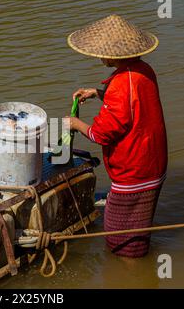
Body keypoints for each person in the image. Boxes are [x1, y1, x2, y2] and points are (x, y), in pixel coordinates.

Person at [64, 14, 168, 257]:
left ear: (113, 55)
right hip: (153, 162)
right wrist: (99, 93)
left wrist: (75, 123)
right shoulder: (143, 70)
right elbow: (133, 106)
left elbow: (101, 134)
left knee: (121, 240)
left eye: (101, 53)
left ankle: (131, 275)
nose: (99, 57)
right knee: (138, 230)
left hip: (135, 170)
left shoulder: (121, 85)